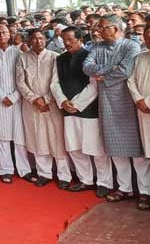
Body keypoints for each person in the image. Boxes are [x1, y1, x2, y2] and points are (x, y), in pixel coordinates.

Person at [83, 15, 149, 203]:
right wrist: (111, 68)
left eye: (103, 28)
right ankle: (124, 188)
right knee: (115, 150)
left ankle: (145, 191)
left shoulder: (131, 46)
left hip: (129, 101)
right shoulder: (97, 47)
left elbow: (125, 70)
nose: (99, 31)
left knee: (137, 152)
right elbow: (87, 67)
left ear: (116, 28)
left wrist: (103, 75)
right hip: (107, 103)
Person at [50, 27, 111, 197]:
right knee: (74, 148)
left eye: (70, 39)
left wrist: (77, 103)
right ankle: (85, 180)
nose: (66, 43)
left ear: (80, 40)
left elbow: (94, 84)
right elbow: (54, 83)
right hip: (68, 109)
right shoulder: (60, 59)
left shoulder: (89, 57)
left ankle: (103, 182)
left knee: (96, 149)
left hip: (88, 110)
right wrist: (63, 101)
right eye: (64, 40)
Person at [15, 30, 70, 189]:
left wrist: (46, 99)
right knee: (37, 137)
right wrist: (34, 99)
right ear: (29, 41)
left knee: (57, 139)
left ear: (46, 39)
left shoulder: (54, 57)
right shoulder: (22, 58)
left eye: (41, 38)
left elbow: (56, 81)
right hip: (31, 105)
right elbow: (20, 82)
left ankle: (64, 175)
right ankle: (43, 173)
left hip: (52, 104)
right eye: (34, 39)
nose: (38, 42)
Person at [0, 25, 34, 184]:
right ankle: (5, 170)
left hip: (17, 99)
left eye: (4, 32)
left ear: (9, 34)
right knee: (1, 136)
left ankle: (24, 169)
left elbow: (23, 78)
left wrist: (13, 96)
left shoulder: (18, 52)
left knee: (20, 136)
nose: (1, 35)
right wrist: (1, 95)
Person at [127, 24, 150, 212]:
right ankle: (148, 193)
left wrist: (149, 103)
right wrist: (138, 99)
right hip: (142, 114)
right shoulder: (140, 58)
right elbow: (130, 80)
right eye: (148, 37)